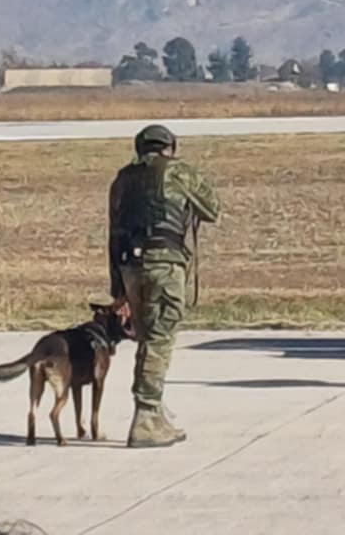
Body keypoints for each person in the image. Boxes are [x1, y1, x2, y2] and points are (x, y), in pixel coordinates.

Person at [108, 122, 220, 447]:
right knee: (159, 339)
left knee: (146, 338)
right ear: (169, 147)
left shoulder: (122, 179)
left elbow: (113, 234)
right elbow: (212, 209)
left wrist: (117, 290)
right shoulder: (179, 172)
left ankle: (155, 411)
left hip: (130, 265)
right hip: (164, 264)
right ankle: (145, 417)